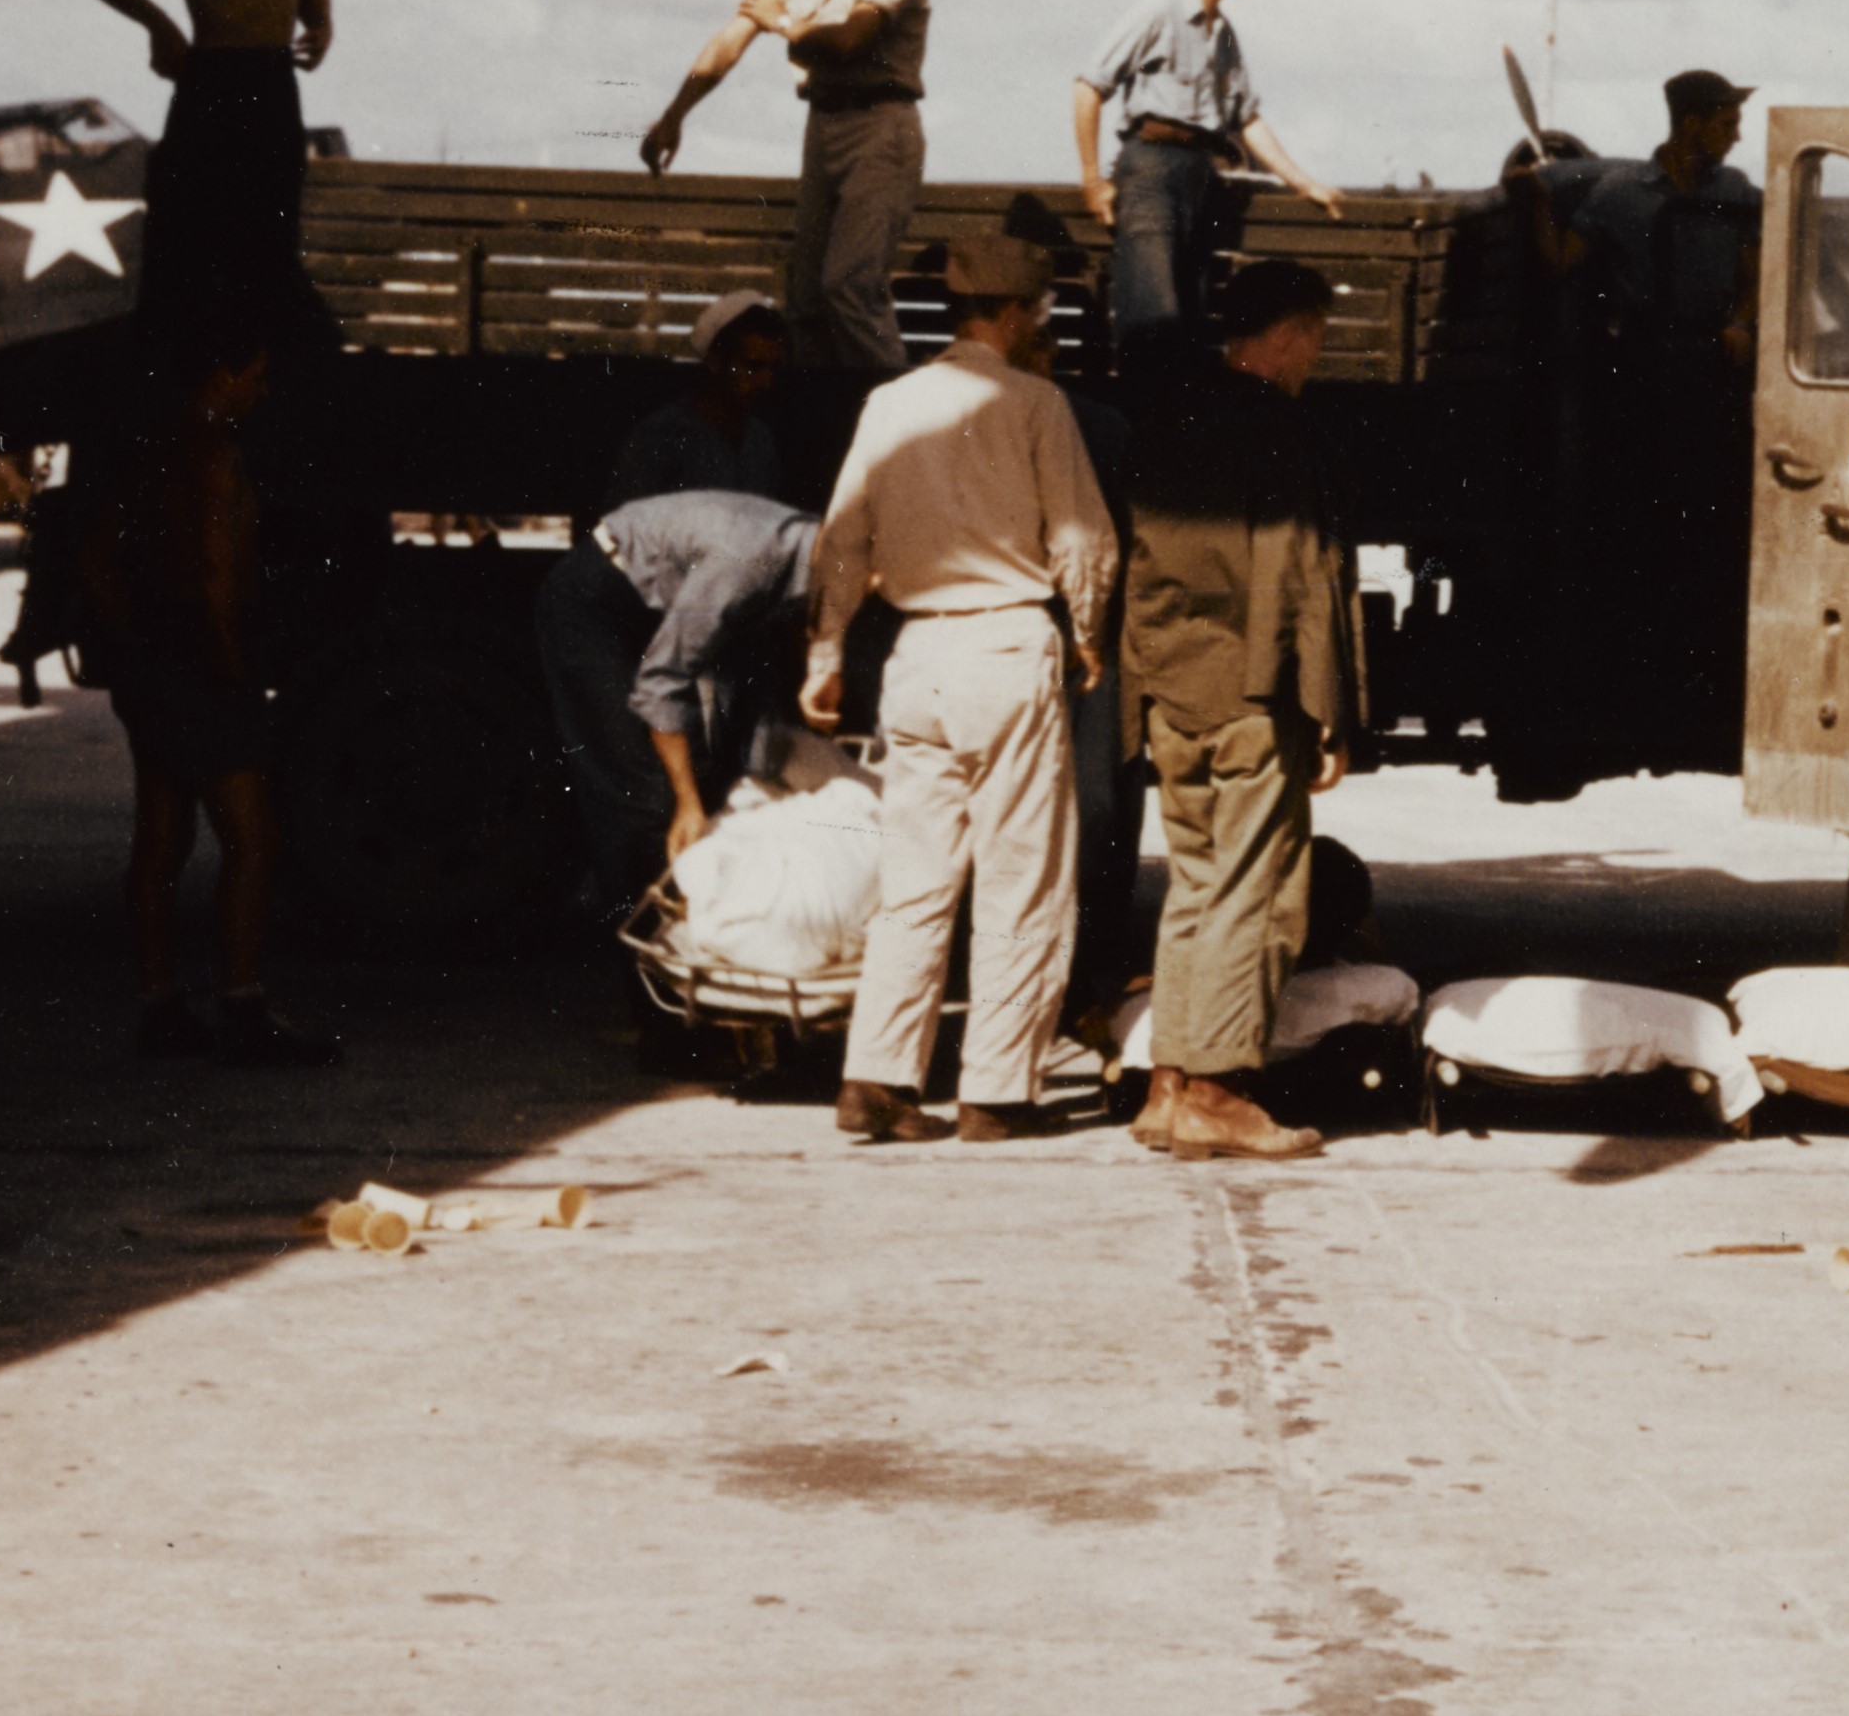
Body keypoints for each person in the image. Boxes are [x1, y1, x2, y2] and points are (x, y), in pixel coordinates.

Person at [802, 232, 1113, 1144]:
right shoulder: (1037, 403)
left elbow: (841, 540)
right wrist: (1088, 632)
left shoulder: (889, 403)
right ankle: (996, 1090)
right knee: (1024, 878)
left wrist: (825, 654)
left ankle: (877, 1079)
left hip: (915, 655)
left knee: (915, 880)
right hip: (1005, 646)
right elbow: (1083, 539)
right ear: (1016, 313)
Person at [1115, 253, 1365, 1165]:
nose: (1313, 359)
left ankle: (1168, 1087)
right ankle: (1219, 1091)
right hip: (1255, 698)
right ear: (1292, 333)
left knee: (1193, 886)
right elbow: (1306, 578)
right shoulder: (1281, 431)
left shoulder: (1166, 421)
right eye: (1315, 341)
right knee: (1255, 896)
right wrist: (1327, 712)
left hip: (1176, 693)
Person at [103, 327, 332, 1064]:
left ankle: (160, 1002)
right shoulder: (216, 455)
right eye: (253, 375)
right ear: (220, 375)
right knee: (253, 841)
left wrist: (131, 648)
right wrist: (235, 670)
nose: (261, 391)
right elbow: (216, 571)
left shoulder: (145, 447)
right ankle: (241, 1003)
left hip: (150, 663)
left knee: (161, 838)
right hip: (204, 669)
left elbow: (98, 560)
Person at [640, 0, 930, 381]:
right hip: (823, 123)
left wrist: (787, 22)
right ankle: (816, 429)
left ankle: (898, 422)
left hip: (881, 125)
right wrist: (675, 114)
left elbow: (850, 41)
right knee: (806, 299)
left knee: (850, 284)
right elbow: (732, 39)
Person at [68, 0, 334, 347]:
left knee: (271, 248)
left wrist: (322, 24)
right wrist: (159, 24)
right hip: (212, 83)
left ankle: (259, 373)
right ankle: (174, 377)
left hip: (275, 86)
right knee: (185, 246)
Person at [1571, 70, 1769, 772]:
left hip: (1713, 376)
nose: (1737, 132)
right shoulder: (1620, 195)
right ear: (1690, 123)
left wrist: (1742, 322)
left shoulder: (1738, 192)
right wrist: (1532, 195)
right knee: (1640, 535)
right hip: (1641, 384)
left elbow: (1757, 264)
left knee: (1710, 538)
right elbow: (1564, 256)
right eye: (1725, 119)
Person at [536, 482, 815, 922]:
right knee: (643, 795)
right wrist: (686, 800)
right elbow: (661, 684)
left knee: (711, 764)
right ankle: (650, 959)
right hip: (596, 603)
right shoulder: (747, 566)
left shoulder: (819, 551)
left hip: (659, 600)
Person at [1075, 0, 1333, 338]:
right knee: (1152, 318)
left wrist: (1304, 182)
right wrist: (1092, 181)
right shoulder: (1159, 11)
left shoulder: (1223, 32)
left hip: (1199, 175)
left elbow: (1246, 118)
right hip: (1152, 170)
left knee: (1190, 318)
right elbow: (1089, 87)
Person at [598, 298, 804, 516]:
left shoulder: (760, 441)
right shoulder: (659, 439)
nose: (766, 382)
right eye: (753, 367)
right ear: (715, 362)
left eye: (773, 368)